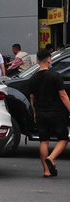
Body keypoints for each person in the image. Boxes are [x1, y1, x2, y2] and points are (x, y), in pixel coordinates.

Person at [28, 49, 70, 177]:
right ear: (49, 60)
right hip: (55, 112)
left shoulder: (33, 78)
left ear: (37, 61)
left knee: (43, 141)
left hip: (40, 113)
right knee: (63, 138)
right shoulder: (54, 75)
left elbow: (31, 97)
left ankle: (46, 171)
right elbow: (63, 95)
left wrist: (35, 112)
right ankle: (51, 158)